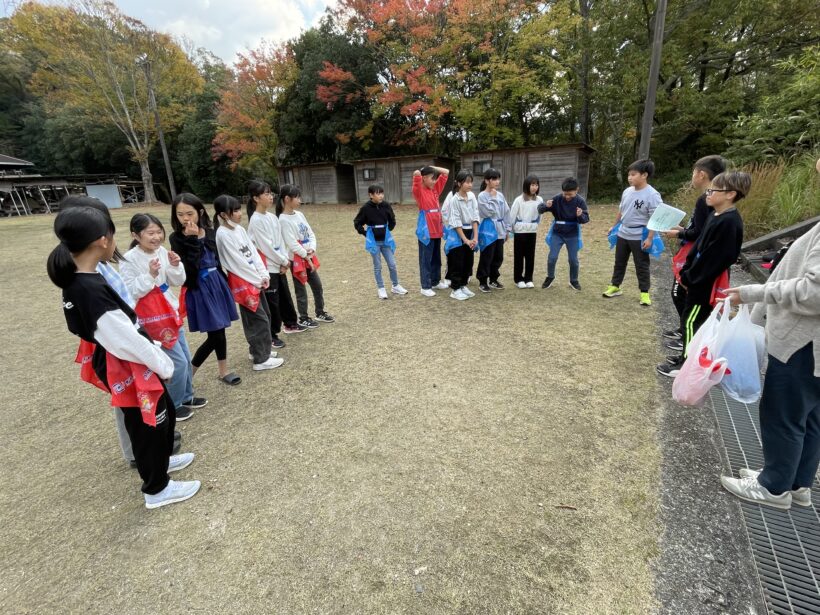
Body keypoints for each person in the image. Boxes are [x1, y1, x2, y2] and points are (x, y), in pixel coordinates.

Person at [48, 206, 200, 509]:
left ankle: (163, 462)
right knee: (147, 423)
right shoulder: (86, 288)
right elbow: (124, 339)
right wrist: (162, 363)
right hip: (126, 364)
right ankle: (157, 488)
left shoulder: (87, 276)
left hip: (130, 357)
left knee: (163, 412)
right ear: (103, 240)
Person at [719, 160, 819, 509]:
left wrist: (751, 293)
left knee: (784, 414)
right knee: (808, 416)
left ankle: (773, 487)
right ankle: (796, 482)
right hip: (811, 344)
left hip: (804, 341)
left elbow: (814, 292)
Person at [59, 196, 182, 467]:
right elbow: (117, 318)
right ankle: (142, 458)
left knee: (143, 401)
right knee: (131, 403)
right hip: (117, 344)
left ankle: (157, 453)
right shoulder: (84, 280)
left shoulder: (94, 268)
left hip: (127, 335)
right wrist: (157, 358)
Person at [657, 170, 750, 377]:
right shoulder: (716, 215)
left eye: (713, 190)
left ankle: (687, 366)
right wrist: (687, 271)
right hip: (696, 279)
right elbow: (698, 246)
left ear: (730, 194)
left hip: (703, 285)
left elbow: (717, 259)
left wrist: (692, 278)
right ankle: (686, 357)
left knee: (692, 323)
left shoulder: (729, 222)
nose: (708, 193)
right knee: (691, 321)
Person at [120, 213, 207, 420]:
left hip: (170, 311)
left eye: (159, 232)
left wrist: (176, 265)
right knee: (177, 362)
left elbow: (177, 281)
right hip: (152, 317)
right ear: (136, 235)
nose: (156, 237)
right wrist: (149, 275)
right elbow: (131, 291)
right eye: (150, 233)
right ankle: (173, 404)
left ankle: (186, 396)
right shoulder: (129, 259)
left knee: (185, 356)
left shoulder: (162, 251)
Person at [169, 193, 241, 385]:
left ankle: (222, 370)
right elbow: (189, 269)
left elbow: (217, 261)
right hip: (199, 287)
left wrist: (225, 284)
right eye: (180, 214)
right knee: (215, 333)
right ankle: (190, 374)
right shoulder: (176, 238)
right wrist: (192, 240)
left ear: (199, 212)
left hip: (217, 284)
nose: (185, 218)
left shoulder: (209, 231)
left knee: (220, 330)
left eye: (189, 213)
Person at [659, 155, 727, 353]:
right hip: (700, 259)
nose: (693, 177)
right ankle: (684, 331)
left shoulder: (706, 199)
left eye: (693, 173)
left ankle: (688, 337)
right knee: (683, 297)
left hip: (696, 260)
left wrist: (679, 233)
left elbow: (699, 233)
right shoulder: (716, 199)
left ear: (702, 174)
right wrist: (683, 229)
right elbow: (700, 228)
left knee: (680, 295)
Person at [213, 194, 284, 371]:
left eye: (239, 209)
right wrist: (257, 278)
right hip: (243, 282)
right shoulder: (222, 234)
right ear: (223, 215)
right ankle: (261, 359)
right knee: (256, 319)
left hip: (255, 280)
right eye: (235, 211)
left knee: (264, 315)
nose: (239, 213)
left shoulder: (239, 230)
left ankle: (258, 350)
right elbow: (237, 263)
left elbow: (253, 253)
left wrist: (263, 274)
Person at [246, 179, 305, 346]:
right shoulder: (256, 220)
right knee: (272, 302)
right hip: (268, 267)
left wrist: (284, 261)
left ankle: (291, 323)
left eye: (270, 193)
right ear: (256, 198)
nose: (270, 197)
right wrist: (283, 261)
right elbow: (266, 247)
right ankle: (271, 335)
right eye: (266, 194)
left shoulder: (272, 217)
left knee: (285, 297)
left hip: (279, 265)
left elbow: (280, 241)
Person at [602, 159, 662, 305]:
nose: (629, 177)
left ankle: (644, 293)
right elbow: (621, 210)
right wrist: (614, 226)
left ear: (644, 175)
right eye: (629, 174)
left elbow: (656, 218)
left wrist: (649, 238)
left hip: (639, 236)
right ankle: (615, 286)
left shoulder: (652, 195)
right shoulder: (627, 191)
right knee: (619, 262)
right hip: (623, 233)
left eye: (633, 174)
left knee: (641, 265)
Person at [278, 184, 335, 326]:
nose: (299, 200)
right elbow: (292, 243)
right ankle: (303, 317)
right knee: (300, 289)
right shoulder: (283, 219)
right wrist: (305, 256)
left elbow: (310, 233)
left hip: (308, 255)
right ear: (287, 199)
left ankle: (320, 312)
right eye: (296, 197)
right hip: (297, 259)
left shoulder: (300, 215)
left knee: (317, 285)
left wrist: (312, 249)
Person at [353, 184, 408, 299]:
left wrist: (389, 228)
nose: (381, 196)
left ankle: (395, 285)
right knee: (378, 266)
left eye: (382, 193)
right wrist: (365, 233)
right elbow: (357, 222)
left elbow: (392, 219)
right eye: (378, 193)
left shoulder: (386, 205)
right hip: (374, 242)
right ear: (371, 195)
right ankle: (381, 288)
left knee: (392, 264)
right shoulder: (366, 208)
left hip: (386, 241)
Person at [539, 177, 590, 291]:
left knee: (573, 259)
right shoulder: (557, 199)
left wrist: (580, 215)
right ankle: (550, 277)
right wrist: (545, 206)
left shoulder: (580, 201)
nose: (567, 197)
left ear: (576, 190)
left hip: (572, 234)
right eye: (565, 194)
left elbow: (585, 219)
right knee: (552, 257)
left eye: (570, 194)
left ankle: (574, 280)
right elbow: (540, 210)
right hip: (557, 233)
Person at [413, 165, 450, 296]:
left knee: (436, 258)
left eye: (435, 179)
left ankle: (435, 281)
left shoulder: (435, 190)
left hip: (437, 230)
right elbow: (416, 174)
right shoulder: (420, 191)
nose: (434, 181)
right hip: (426, 232)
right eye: (431, 178)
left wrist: (431, 167)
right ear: (423, 178)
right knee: (425, 259)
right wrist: (420, 173)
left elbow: (446, 171)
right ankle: (425, 286)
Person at [444, 170, 479, 300]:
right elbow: (456, 222)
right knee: (457, 261)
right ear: (459, 183)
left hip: (470, 231)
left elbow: (475, 217)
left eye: (471, 182)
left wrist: (475, 237)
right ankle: (455, 288)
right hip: (457, 233)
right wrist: (465, 239)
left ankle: (463, 285)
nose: (470, 185)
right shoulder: (454, 200)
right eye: (467, 182)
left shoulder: (472, 197)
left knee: (468, 261)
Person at [476, 168, 511, 293]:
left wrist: (508, 229)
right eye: (494, 179)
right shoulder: (482, 196)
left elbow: (506, 212)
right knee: (487, 256)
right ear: (487, 180)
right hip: (488, 230)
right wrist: (493, 198)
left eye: (498, 178)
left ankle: (493, 279)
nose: (497, 181)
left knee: (498, 256)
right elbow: (487, 212)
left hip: (500, 229)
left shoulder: (500, 195)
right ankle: (483, 281)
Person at [509, 175, 543, 288]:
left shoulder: (539, 200)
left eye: (536, 185)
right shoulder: (519, 200)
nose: (534, 187)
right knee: (519, 256)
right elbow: (512, 216)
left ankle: (529, 278)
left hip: (532, 230)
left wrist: (535, 225)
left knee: (530, 255)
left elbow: (540, 216)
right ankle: (518, 279)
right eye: (532, 185)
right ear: (527, 185)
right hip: (520, 231)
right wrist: (511, 230)